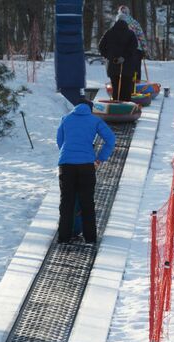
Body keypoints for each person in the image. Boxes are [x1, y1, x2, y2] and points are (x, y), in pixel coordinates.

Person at [57, 100, 115, 244]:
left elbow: (60, 140)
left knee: (66, 202)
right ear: (91, 109)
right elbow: (111, 139)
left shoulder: (66, 118)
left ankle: (64, 237)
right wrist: (100, 158)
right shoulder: (95, 120)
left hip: (66, 165)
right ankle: (90, 238)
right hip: (86, 165)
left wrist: (67, 155)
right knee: (87, 202)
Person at [98, 15, 138, 101]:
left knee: (115, 88)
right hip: (127, 66)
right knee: (126, 89)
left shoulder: (109, 32)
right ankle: (126, 107)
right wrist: (125, 56)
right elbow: (134, 47)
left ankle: (116, 106)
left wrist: (108, 56)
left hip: (113, 64)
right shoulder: (131, 33)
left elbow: (101, 46)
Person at [117, 5, 149, 81]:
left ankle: (125, 84)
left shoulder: (117, 24)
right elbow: (141, 36)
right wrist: (144, 49)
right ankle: (136, 83)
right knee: (136, 67)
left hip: (124, 50)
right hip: (137, 49)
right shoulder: (134, 22)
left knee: (125, 68)